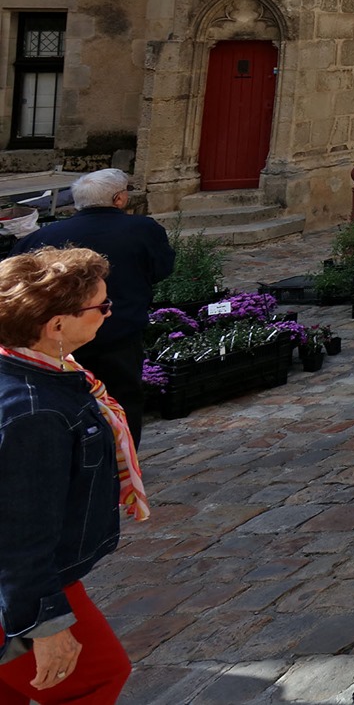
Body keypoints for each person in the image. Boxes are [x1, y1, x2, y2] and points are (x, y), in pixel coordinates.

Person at [0, 248, 144, 703]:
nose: (108, 312)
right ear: (56, 325)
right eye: (101, 305)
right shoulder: (35, 413)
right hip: (22, 589)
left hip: (17, 585)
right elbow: (19, 532)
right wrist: (44, 625)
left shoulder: (34, 369)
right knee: (98, 678)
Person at [6, 170, 173, 439]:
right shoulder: (143, 229)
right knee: (121, 400)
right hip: (118, 332)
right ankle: (118, 464)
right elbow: (162, 269)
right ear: (119, 199)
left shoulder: (42, 237)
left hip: (59, 338)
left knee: (61, 401)